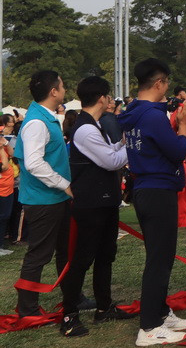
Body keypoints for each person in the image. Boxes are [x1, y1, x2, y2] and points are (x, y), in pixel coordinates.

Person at [118, 58, 186, 346]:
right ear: (159, 83)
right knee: (159, 260)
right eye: (165, 85)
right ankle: (149, 326)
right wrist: (184, 124)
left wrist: (172, 111)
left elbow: (159, 113)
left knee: (159, 254)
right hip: (158, 190)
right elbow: (178, 150)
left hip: (145, 188)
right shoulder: (151, 117)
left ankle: (161, 312)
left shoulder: (135, 111)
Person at [60, 77, 136, 337]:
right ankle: (69, 315)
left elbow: (109, 152)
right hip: (91, 204)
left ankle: (104, 307)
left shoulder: (93, 125)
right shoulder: (85, 128)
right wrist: (135, 149)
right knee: (82, 259)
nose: (111, 100)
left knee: (106, 256)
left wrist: (124, 144)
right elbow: (111, 161)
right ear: (102, 98)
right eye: (109, 96)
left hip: (104, 200)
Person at [12, 70, 72, 321]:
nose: (65, 89)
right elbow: (34, 164)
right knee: (39, 255)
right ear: (53, 91)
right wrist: (63, 184)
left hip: (55, 199)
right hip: (44, 200)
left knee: (65, 251)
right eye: (63, 85)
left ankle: (72, 297)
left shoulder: (45, 118)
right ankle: (27, 309)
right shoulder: (36, 122)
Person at [0, 114, 16, 257]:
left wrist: (5, 144)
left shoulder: (3, 143)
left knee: (5, 217)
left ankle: (1, 245)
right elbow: (4, 166)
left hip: (8, 187)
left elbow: (12, 153)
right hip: (1, 188)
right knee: (2, 216)